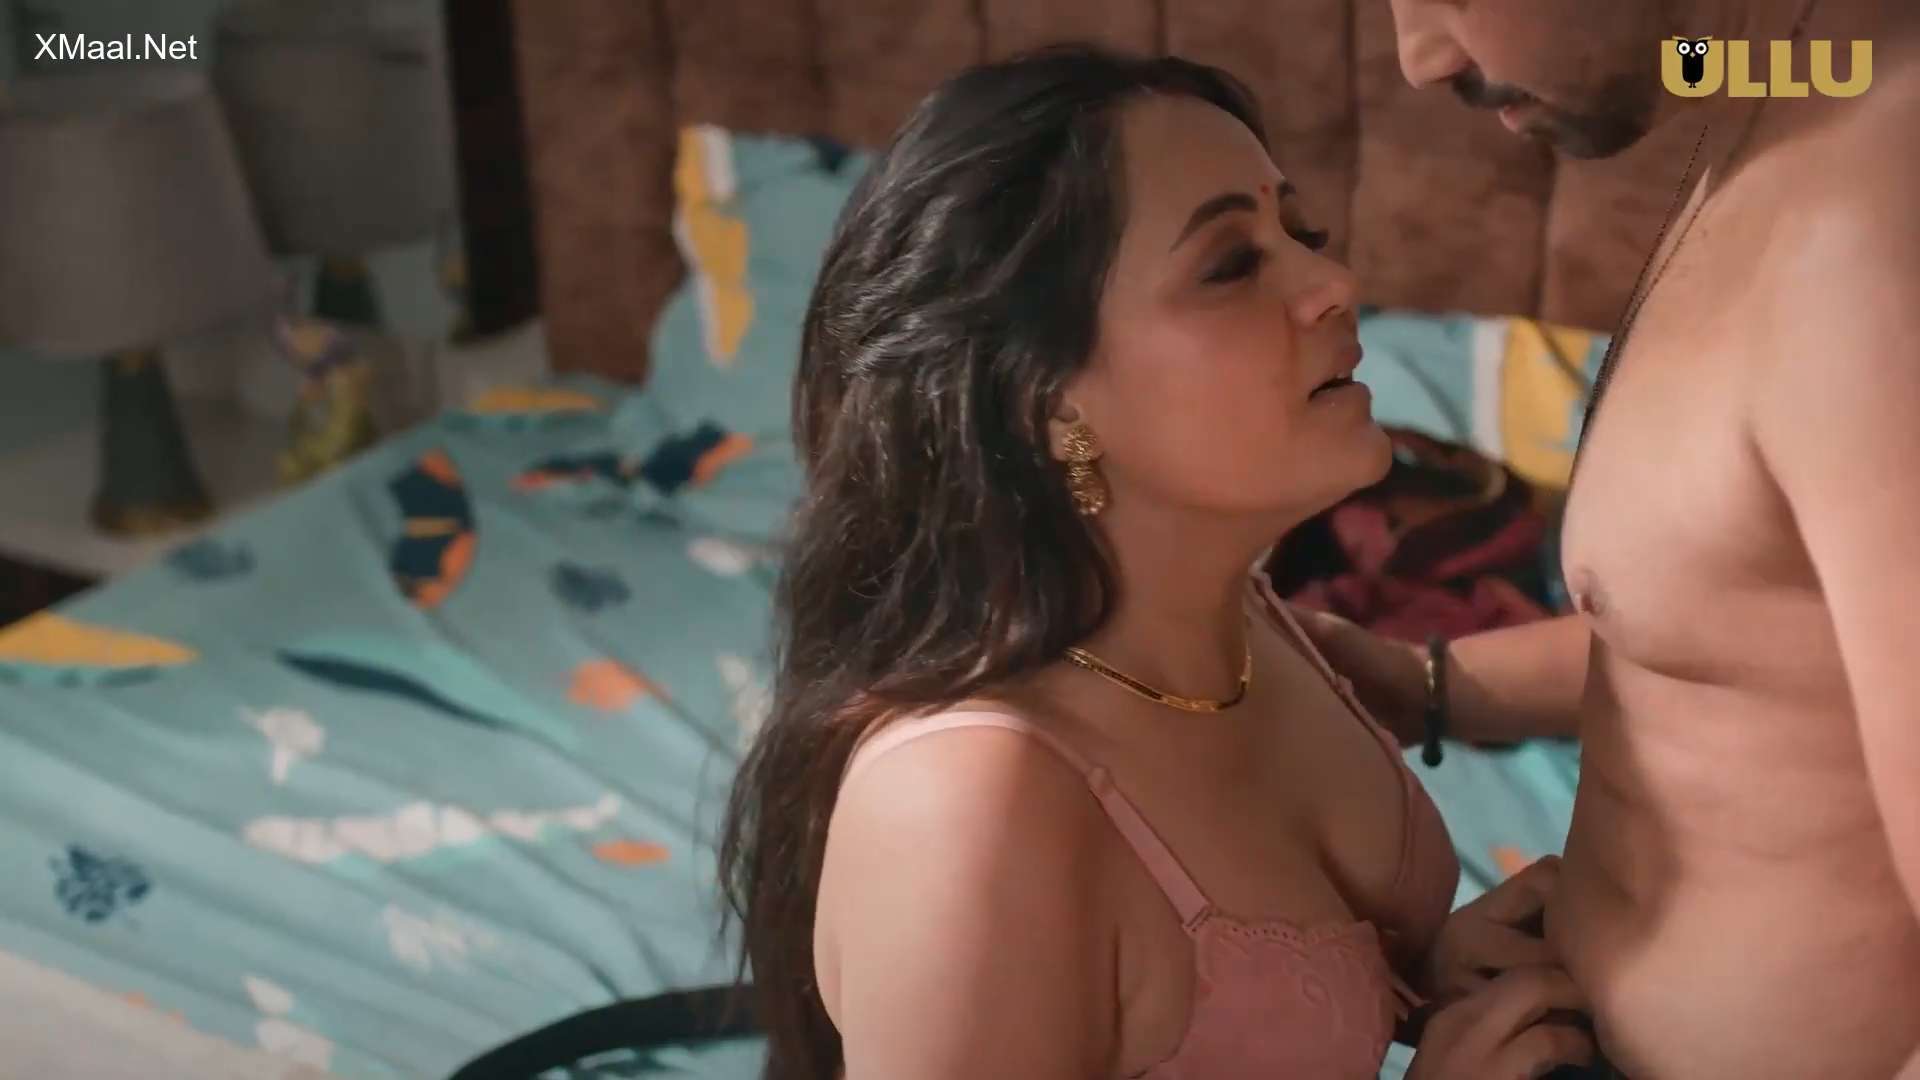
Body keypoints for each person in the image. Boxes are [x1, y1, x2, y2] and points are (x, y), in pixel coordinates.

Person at [717, 45, 1599, 1080]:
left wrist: (1428, 977)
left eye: (1301, 233)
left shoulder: (1253, 632)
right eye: (1231, 265)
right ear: (1044, 403)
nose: (1333, 283)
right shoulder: (973, 804)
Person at [1293, 2, 1920, 1077]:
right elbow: (1753, 624)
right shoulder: (1785, 73)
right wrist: (1429, 687)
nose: (1419, 57)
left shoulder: (1874, 248)